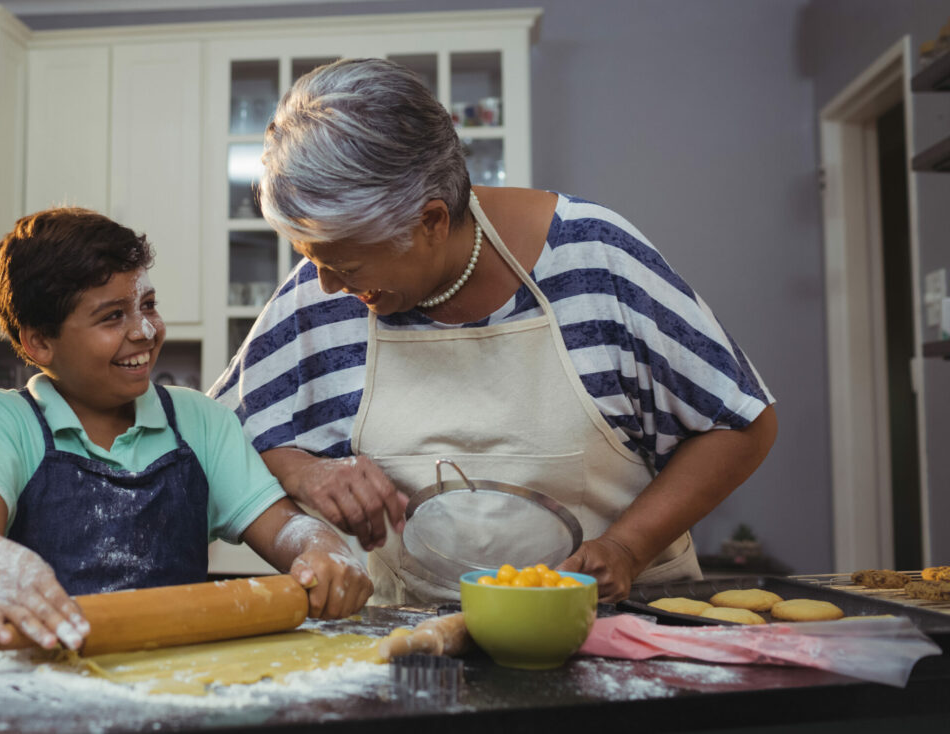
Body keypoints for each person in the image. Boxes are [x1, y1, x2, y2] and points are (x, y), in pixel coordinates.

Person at [210, 58, 778, 605]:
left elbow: (740, 422)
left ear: (431, 221)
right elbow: (212, 438)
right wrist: (301, 469)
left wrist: (628, 547)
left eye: (348, 267)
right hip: (420, 641)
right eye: (312, 259)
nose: (326, 284)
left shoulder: (594, 258)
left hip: (622, 628)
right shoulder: (322, 289)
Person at [0, 208, 372, 652]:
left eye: (148, 305)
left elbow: (284, 530)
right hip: (47, 688)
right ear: (39, 342)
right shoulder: (1, 422)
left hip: (178, 685)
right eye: (111, 317)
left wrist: (320, 548)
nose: (144, 330)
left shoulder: (201, 420)